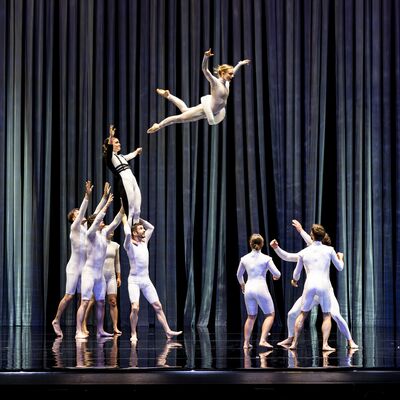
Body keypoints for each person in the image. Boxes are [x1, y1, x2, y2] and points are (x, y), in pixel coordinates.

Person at [270, 220, 358, 350]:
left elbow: (291, 259)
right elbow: (339, 267)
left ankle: (350, 341)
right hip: (324, 287)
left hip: (311, 287)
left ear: (313, 237)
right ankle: (292, 339)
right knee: (293, 313)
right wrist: (341, 258)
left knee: (335, 315)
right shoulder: (326, 250)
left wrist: (294, 279)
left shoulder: (307, 252)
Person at [52, 181, 110, 337]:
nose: (80, 214)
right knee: (69, 295)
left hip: (84, 267)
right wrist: (87, 196)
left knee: (82, 298)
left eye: (80, 212)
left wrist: (104, 198)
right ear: (73, 218)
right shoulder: (75, 228)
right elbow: (85, 211)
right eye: (77, 213)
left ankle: (81, 326)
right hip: (73, 267)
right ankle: (56, 320)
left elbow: (96, 215)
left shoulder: (87, 229)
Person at [147, 48, 250, 134]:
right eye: (230, 74)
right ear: (222, 73)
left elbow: (233, 72)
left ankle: (168, 95)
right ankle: (158, 125)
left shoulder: (226, 83)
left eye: (232, 74)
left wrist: (239, 64)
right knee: (179, 118)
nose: (232, 76)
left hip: (214, 111)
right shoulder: (215, 82)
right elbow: (205, 70)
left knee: (185, 110)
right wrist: (206, 57)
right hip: (205, 110)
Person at [122, 214, 182, 343]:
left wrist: (138, 218)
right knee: (135, 307)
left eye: (143, 229)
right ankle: (133, 333)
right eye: (140, 229)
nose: (144, 230)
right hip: (134, 281)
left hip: (146, 280)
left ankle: (168, 331)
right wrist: (126, 220)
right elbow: (127, 235)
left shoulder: (144, 242)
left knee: (158, 306)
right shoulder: (129, 245)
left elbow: (151, 227)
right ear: (134, 232)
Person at [75, 194, 124, 339]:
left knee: (101, 302)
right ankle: (79, 330)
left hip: (100, 275)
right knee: (85, 302)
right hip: (89, 273)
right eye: (101, 221)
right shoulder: (90, 234)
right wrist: (107, 204)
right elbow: (96, 219)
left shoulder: (104, 235)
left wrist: (122, 209)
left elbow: (115, 222)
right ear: (94, 223)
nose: (103, 222)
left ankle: (100, 330)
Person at [236, 233, 281, 349]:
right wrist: (275, 276)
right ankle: (263, 340)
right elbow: (277, 273)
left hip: (249, 289)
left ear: (250, 244)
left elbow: (238, 274)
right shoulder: (266, 258)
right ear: (262, 244)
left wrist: (242, 284)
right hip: (261, 288)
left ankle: (246, 343)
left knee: (251, 317)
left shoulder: (244, 258)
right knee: (270, 315)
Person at [81, 228, 122, 335]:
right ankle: (83, 323)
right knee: (92, 300)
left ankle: (115, 327)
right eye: (109, 229)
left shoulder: (115, 245)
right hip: (100, 275)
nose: (112, 231)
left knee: (113, 301)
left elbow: (117, 262)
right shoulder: (99, 243)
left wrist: (118, 277)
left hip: (111, 276)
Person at [103, 125, 142, 227]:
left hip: (132, 180)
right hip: (125, 181)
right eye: (116, 142)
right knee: (131, 210)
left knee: (138, 210)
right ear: (110, 144)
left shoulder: (121, 157)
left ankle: (137, 235)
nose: (119, 144)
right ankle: (129, 237)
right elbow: (109, 152)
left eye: (118, 142)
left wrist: (136, 152)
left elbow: (129, 155)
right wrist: (111, 137)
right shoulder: (109, 157)